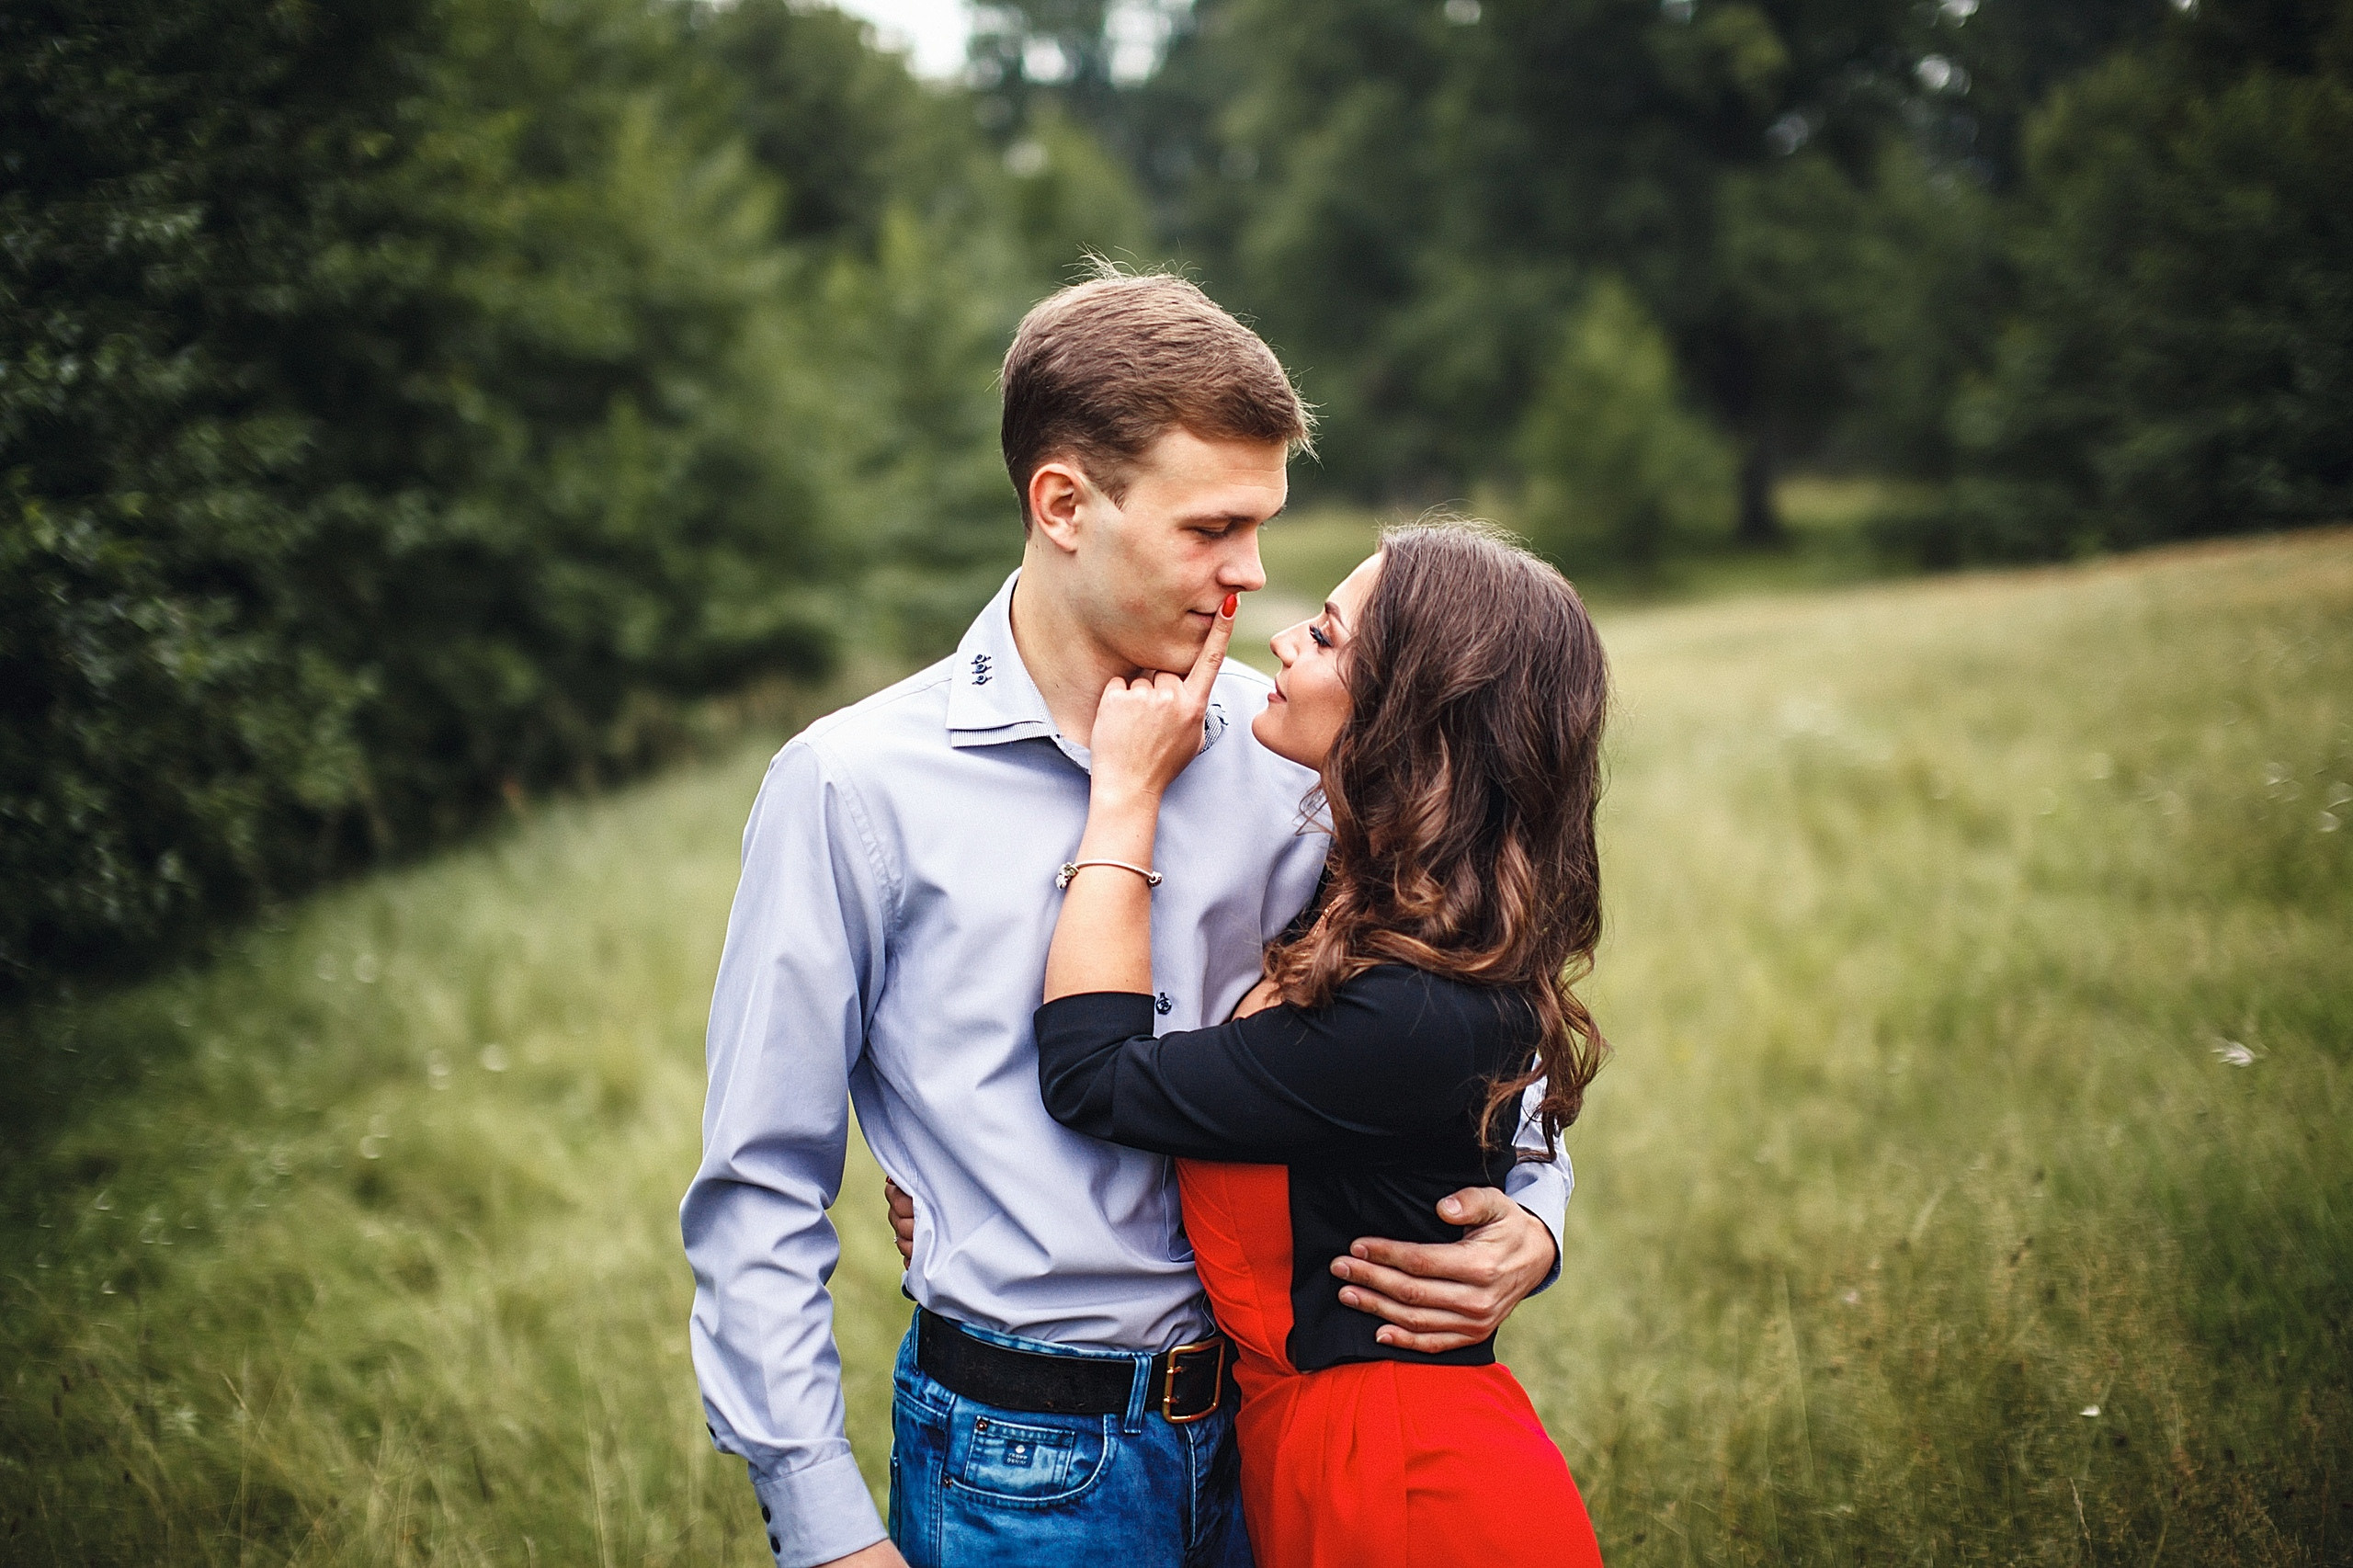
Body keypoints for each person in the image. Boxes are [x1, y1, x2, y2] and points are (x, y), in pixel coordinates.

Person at [681, 271, 1575, 1568]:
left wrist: (1537, 1217)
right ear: (1063, 505)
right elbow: (760, 1177)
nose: (1252, 576)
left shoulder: (1300, 746)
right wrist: (821, 1527)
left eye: (1263, 524)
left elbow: (1468, 1005)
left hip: (1290, 1433)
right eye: (1213, 526)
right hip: (1019, 1463)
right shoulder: (853, 786)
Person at [1030, 520, 1609, 1567]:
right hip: (1301, 1455)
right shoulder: (1381, 913)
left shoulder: (1418, 1006)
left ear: (1411, 718)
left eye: (1331, 636)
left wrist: (1122, 797)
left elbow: (1092, 1078)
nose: (1286, 640)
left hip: (1405, 1485)